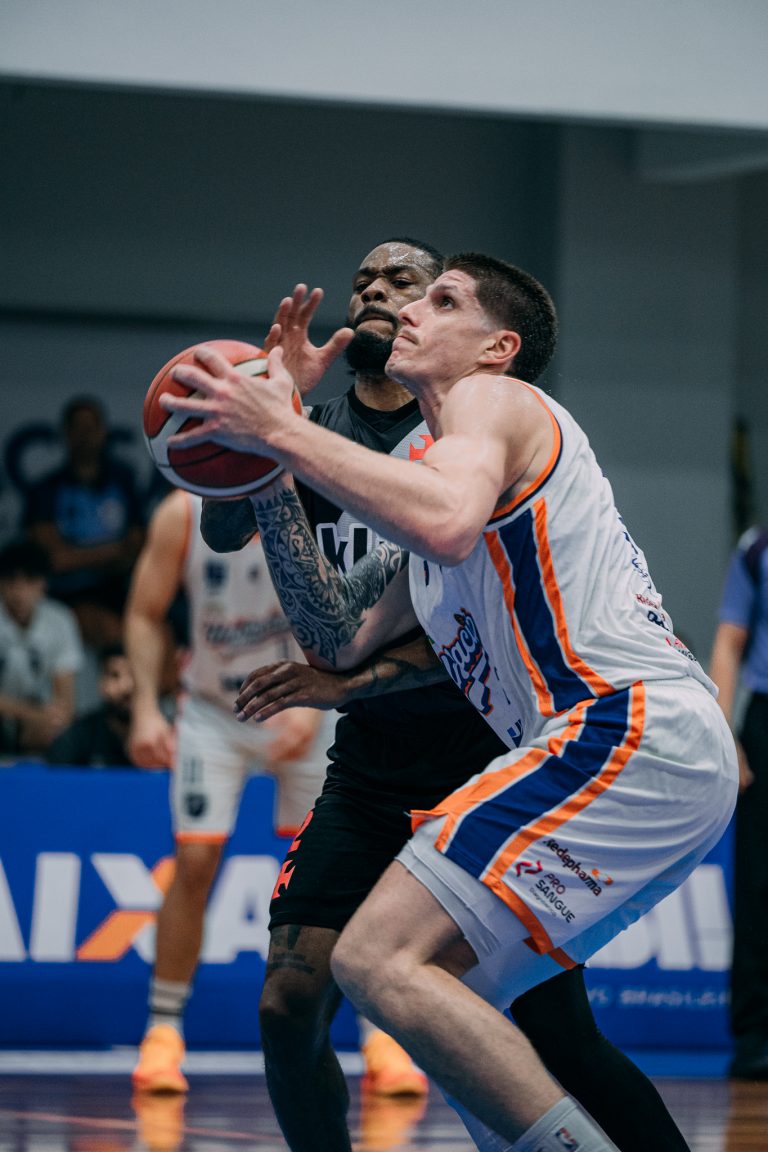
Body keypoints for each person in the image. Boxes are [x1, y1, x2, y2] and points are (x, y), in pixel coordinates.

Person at [165, 251, 738, 1152]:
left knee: (373, 959)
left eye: (441, 298)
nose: (407, 309)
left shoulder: (493, 400)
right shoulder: (432, 470)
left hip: (620, 727)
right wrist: (271, 468)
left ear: (496, 347)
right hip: (628, 751)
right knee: (450, 1003)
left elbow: (445, 521)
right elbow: (334, 638)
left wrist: (282, 429)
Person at [125, 487, 332, 1095]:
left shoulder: (317, 494)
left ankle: (381, 1038)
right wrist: (144, 707)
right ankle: (163, 1032)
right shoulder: (181, 512)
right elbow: (143, 612)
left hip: (307, 698)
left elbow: (358, 605)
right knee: (194, 860)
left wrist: (319, 692)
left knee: (339, 866)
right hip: (215, 711)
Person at [710, 525, 768, 1080]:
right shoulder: (757, 548)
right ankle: (754, 1039)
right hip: (765, 723)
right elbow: (729, 643)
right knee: (758, 885)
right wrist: (727, 735)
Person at [23, 395, 146, 647]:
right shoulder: (46, 490)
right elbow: (56, 559)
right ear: (66, 433)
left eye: (91, 428)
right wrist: (115, 551)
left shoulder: (123, 482)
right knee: (104, 627)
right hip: (67, 594)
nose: (85, 436)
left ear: (103, 432)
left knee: (158, 624)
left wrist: (82, 556)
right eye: (78, 428)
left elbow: (138, 547)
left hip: (122, 589)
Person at [0, 537, 84, 758]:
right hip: (11, 711)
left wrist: (51, 717)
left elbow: (65, 699)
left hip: (36, 712)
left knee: (57, 728)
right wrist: (29, 713)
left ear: (43, 584)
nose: (19, 590)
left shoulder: (60, 620)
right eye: (11, 580)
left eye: (29, 580)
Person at [47, 643, 136, 768]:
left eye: (134, 675)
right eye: (114, 675)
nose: (125, 686)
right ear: (101, 683)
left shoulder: (163, 737)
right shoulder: (76, 738)